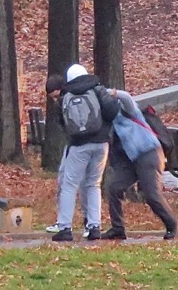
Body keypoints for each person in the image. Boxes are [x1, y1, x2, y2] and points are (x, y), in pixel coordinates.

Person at [48, 65, 121, 242]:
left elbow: (61, 120)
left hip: (79, 145)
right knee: (94, 184)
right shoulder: (97, 89)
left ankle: (65, 227)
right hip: (101, 144)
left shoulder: (67, 95)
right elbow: (113, 112)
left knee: (69, 185)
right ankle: (94, 226)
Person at [102, 90, 178, 240]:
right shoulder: (113, 121)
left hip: (150, 153)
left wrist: (112, 92)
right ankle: (118, 228)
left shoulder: (129, 110)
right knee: (115, 188)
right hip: (134, 159)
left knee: (151, 194)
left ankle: (171, 224)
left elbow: (127, 97)